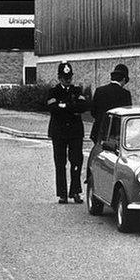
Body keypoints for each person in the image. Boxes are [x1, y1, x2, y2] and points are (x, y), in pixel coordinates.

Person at [46, 62, 88, 204]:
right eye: (64, 77)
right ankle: (62, 194)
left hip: (75, 132)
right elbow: (53, 108)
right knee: (60, 163)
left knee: (76, 161)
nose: (67, 80)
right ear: (59, 77)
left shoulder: (77, 90)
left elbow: (83, 107)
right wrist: (72, 108)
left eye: (69, 77)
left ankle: (75, 191)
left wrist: (64, 106)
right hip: (59, 132)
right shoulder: (53, 91)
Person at [89, 64, 133, 143]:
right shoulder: (125, 94)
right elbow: (127, 114)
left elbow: (93, 112)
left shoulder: (99, 90)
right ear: (123, 79)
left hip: (99, 131)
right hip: (116, 133)